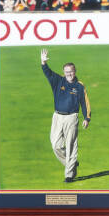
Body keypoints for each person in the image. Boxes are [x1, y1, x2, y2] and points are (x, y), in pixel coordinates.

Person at [41, 49, 91, 182]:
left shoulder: (79, 86)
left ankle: (69, 175)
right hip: (57, 117)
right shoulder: (58, 81)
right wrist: (43, 62)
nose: (69, 74)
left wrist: (87, 118)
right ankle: (72, 163)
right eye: (67, 72)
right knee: (56, 145)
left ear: (75, 71)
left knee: (71, 145)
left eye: (71, 71)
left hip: (71, 117)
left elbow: (85, 102)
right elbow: (48, 73)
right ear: (64, 72)